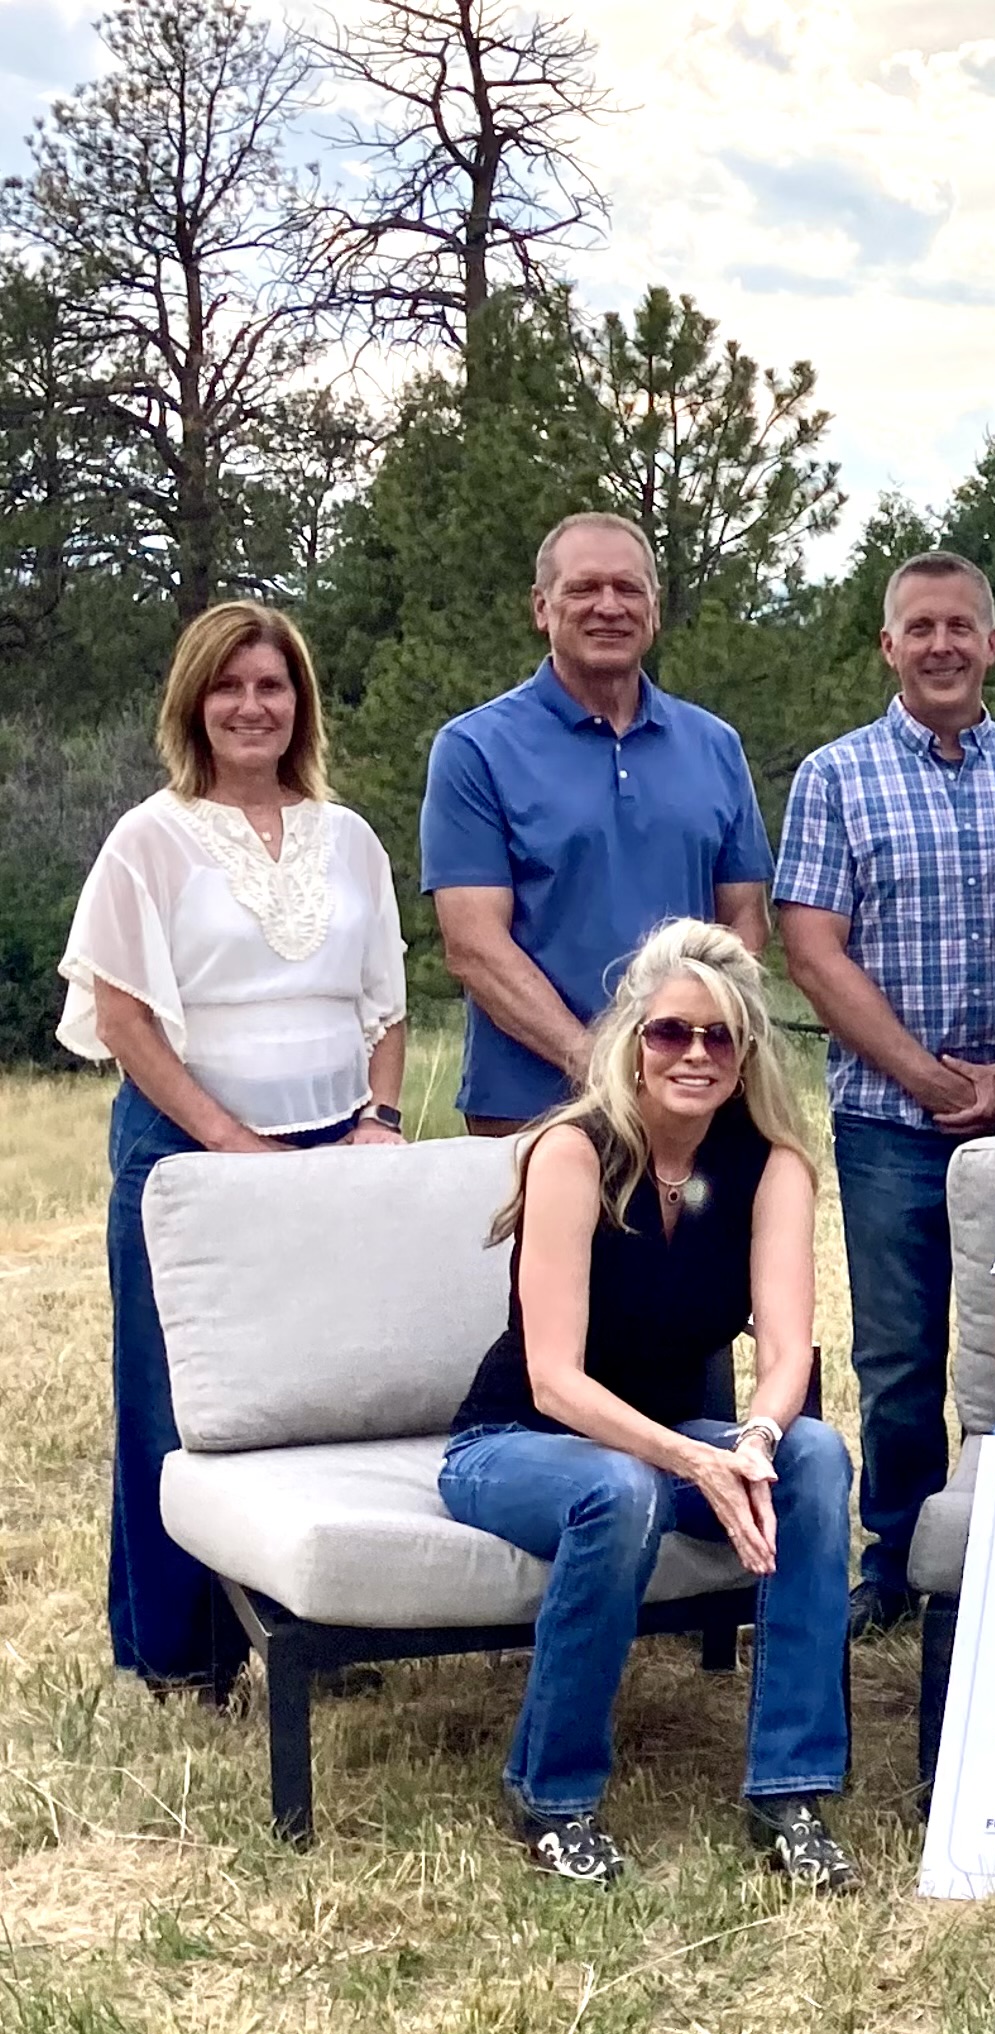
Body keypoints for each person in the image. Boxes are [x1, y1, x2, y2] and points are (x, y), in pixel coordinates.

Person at [440, 920, 855, 1889]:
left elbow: (789, 1347)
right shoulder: (573, 1152)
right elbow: (554, 1378)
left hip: (667, 1443)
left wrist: (750, 1436)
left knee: (818, 1456)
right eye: (671, 1031)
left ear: (745, 1052)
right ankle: (553, 1794)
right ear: (630, 1039)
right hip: (519, 1442)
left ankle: (791, 1787)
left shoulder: (770, 1164)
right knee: (618, 1488)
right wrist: (695, 1460)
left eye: (719, 1036)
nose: (694, 1054)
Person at [59, 601, 409, 1692]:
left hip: (336, 1151)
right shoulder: (150, 838)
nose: (252, 705)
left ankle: (333, 1624)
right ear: (194, 704)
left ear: (299, 702)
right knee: (179, 1400)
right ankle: (182, 1651)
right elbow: (121, 1018)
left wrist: (379, 1121)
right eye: (229, 686)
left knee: (329, 1393)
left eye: (272, 685)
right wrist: (229, 1141)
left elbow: (386, 1000)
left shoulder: (346, 836)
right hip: (186, 1151)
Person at [774, 551, 995, 1632]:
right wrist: (928, 1077)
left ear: (991, 644)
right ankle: (893, 1558)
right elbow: (812, 950)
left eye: (961, 626)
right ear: (888, 645)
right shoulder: (834, 777)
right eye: (918, 627)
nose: (941, 644)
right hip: (889, 1119)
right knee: (896, 1352)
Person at [420, 512, 772, 1134]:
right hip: (531, 1108)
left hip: (691, 1109)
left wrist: (688, 1058)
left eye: (628, 589)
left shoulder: (716, 745)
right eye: (584, 589)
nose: (608, 606)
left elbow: (743, 920)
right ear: (541, 607)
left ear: (655, 610)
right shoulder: (475, 749)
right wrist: (606, 1068)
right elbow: (475, 947)